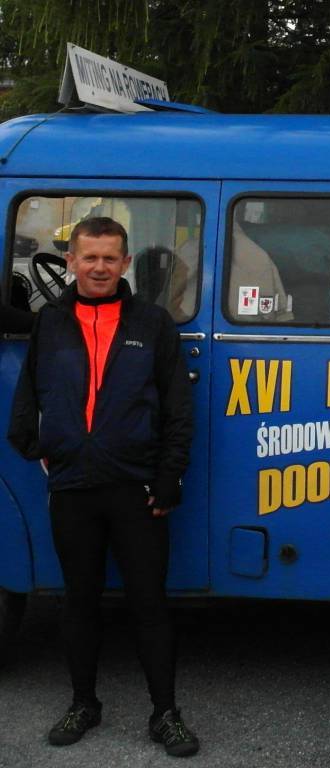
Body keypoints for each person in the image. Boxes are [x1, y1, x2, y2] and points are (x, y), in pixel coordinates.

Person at [7, 217, 198, 757]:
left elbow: (178, 409)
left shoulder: (153, 323)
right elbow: (30, 393)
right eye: (89, 257)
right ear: (71, 261)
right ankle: (83, 704)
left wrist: (169, 476)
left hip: (136, 487)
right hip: (74, 486)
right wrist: (37, 445)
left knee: (149, 604)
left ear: (125, 263)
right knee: (79, 602)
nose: (99, 267)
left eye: (110, 258)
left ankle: (166, 714)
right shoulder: (51, 322)